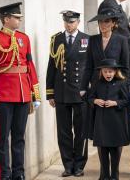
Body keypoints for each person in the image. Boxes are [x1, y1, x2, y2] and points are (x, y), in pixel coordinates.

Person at [0, 2, 41, 180]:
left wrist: (34, 93)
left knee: (19, 137)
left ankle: (18, 173)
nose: (19, 20)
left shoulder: (24, 38)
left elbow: (30, 66)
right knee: (3, 139)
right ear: (6, 19)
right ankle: (5, 175)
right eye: (16, 17)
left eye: (19, 17)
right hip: (4, 96)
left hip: (23, 95)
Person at [46, 10, 89, 177]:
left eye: (72, 22)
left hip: (80, 93)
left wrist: (89, 90)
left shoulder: (87, 39)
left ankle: (79, 164)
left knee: (81, 131)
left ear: (78, 22)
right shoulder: (56, 39)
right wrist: (50, 93)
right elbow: (51, 67)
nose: (69, 25)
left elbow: (90, 67)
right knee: (63, 131)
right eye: (66, 22)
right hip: (62, 92)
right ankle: (68, 165)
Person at [88, 59, 129, 180]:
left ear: (115, 71)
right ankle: (105, 175)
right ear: (101, 72)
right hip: (101, 120)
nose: (108, 74)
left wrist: (115, 102)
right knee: (103, 148)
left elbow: (126, 100)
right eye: (105, 72)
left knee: (115, 149)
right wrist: (95, 100)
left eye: (110, 72)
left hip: (116, 121)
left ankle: (114, 175)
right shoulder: (97, 83)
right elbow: (90, 97)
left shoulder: (122, 83)